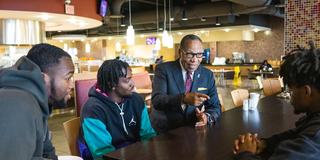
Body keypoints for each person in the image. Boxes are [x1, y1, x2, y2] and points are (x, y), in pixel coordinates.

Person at [233, 41, 320, 160]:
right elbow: (296, 134)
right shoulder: (314, 120)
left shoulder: (314, 139)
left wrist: (244, 153)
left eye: (292, 90)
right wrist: (265, 144)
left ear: (306, 91)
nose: (290, 95)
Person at [0, 43, 74, 160]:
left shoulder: (36, 102)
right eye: (68, 78)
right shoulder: (17, 105)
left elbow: (47, 151)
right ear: (43, 78)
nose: (71, 85)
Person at [79, 59, 156, 159]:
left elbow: (148, 135)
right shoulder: (93, 109)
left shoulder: (137, 100)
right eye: (127, 80)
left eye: (131, 78)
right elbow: (101, 152)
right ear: (111, 84)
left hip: (135, 153)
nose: (132, 84)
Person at [150, 34, 221, 132]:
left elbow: (215, 106)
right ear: (180, 52)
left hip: (193, 129)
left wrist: (206, 116)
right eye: (189, 54)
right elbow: (157, 101)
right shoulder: (163, 69)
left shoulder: (207, 75)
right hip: (165, 130)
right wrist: (183, 98)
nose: (194, 59)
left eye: (199, 54)